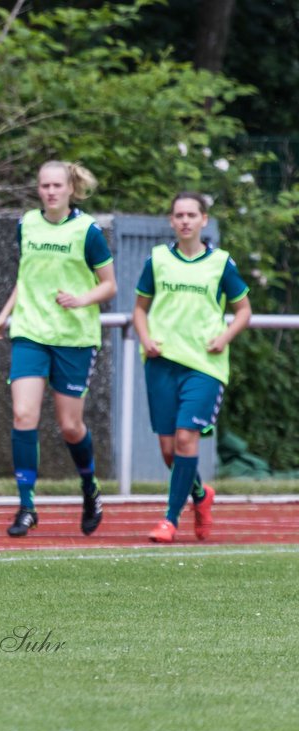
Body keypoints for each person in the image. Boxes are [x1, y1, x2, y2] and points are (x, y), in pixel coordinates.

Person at [0, 160, 117, 537]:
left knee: (70, 426)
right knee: (23, 415)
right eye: (44, 186)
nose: (50, 192)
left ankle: (89, 488)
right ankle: (27, 505)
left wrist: (81, 298)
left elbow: (109, 285)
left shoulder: (87, 230)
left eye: (57, 185)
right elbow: (25, 277)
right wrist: (4, 314)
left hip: (74, 338)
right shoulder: (26, 223)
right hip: (30, 332)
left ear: (70, 188)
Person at [132, 191, 251, 543]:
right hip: (161, 362)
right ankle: (201, 495)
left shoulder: (220, 263)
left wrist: (225, 336)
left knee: (186, 439)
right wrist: (145, 338)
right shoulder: (157, 260)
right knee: (169, 451)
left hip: (204, 366)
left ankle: (169, 521)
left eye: (191, 215)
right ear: (171, 221)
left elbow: (244, 310)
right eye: (179, 215)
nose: (185, 221)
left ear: (203, 220)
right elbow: (140, 309)